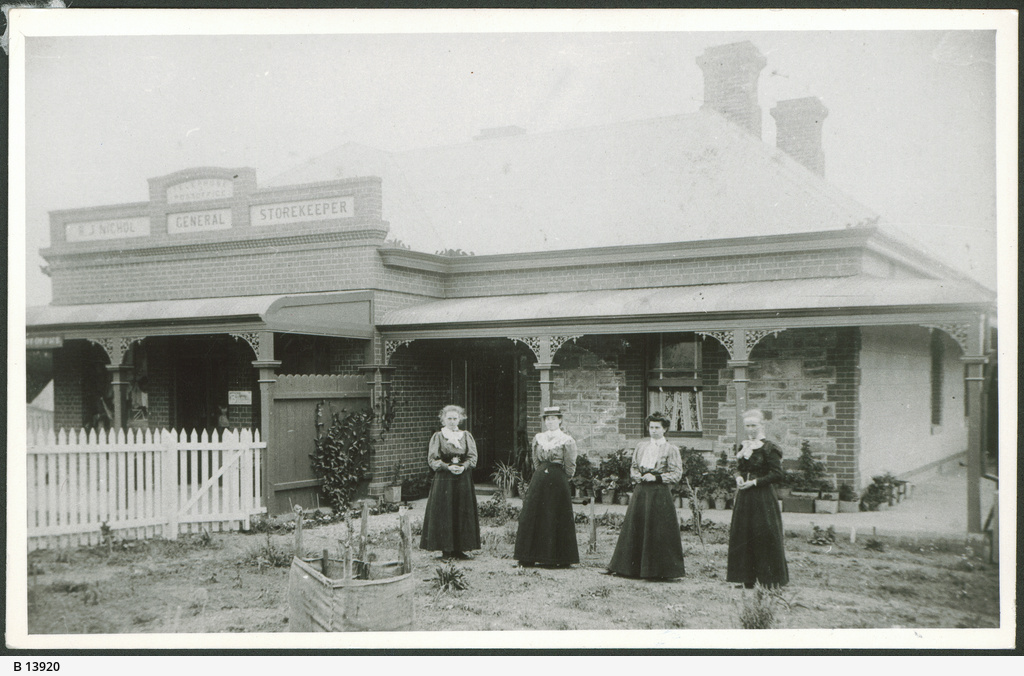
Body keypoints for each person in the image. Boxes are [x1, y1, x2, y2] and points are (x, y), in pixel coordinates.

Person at [606, 412, 686, 579]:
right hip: (641, 492)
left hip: (659, 493)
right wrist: (638, 476)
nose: (653, 430)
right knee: (635, 527)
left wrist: (656, 478)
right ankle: (629, 568)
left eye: (657, 427)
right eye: (651, 427)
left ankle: (657, 571)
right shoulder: (641, 446)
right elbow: (634, 467)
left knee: (657, 529)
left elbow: (676, 474)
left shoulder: (671, 449)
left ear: (664, 429)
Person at [726, 409, 789, 588]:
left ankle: (770, 579)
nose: (751, 429)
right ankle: (747, 578)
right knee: (744, 534)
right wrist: (738, 477)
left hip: (762, 497)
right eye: (747, 426)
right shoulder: (744, 446)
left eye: (754, 425)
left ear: (762, 425)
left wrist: (754, 482)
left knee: (764, 534)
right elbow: (736, 467)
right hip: (745, 497)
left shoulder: (769, 448)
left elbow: (777, 474)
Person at [514, 406, 580, 568]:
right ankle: (529, 556)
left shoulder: (566, 440)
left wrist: (560, 478)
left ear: (559, 420)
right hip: (539, 479)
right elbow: (535, 461)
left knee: (555, 514)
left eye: (553, 419)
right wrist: (542, 473)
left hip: (558, 479)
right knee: (532, 513)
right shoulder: (539, 438)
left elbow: (570, 466)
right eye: (547, 419)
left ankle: (556, 558)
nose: (550, 422)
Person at [419, 405, 481, 560]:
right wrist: (447, 467)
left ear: (460, 419)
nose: (452, 421)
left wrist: (464, 466)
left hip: (463, 478)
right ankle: (446, 550)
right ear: (443, 420)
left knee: (461, 510)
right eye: (449, 419)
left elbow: (472, 457)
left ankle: (459, 549)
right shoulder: (439, 436)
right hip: (444, 480)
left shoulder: (466, 436)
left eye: (455, 418)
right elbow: (433, 459)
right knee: (445, 511)